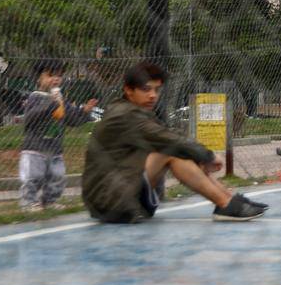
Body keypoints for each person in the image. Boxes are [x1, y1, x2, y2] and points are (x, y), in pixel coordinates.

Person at [82, 62, 266, 224]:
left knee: (178, 150)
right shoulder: (125, 115)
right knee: (171, 150)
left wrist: (197, 154)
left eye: (156, 90)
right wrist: (207, 155)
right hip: (110, 201)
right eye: (146, 89)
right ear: (128, 90)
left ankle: (227, 199)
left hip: (124, 194)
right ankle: (225, 204)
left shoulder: (134, 111)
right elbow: (168, 140)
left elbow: (170, 136)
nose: (153, 95)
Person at [18, 61, 97, 211]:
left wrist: (85, 111)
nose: (55, 79)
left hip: (55, 148)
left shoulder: (61, 99)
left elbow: (72, 118)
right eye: (50, 75)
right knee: (33, 176)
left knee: (57, 177)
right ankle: (29, 202)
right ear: (39, 79)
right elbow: (30, 118)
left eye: (59, 76)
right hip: (35, 148)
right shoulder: (35, 97)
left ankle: (50, 201)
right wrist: (51, 104)